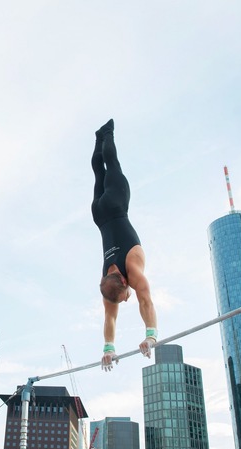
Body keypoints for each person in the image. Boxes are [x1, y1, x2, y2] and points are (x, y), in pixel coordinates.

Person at [91, 119, 158, 372]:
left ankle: (107, 132)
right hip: (98, 213)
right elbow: (110, 316)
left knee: (112, 165)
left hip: (116, 205)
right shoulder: (107, 284)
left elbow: (146, 301)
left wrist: (151, 335)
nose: (127, 299)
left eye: (125, 295)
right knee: (99, 172)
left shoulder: (132, 267)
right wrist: (108, 349)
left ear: (123, 279)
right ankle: (99, 138)